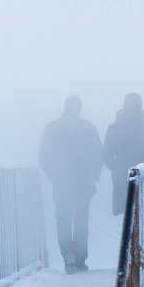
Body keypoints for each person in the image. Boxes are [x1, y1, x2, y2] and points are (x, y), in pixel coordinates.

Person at [38, 95, 104, 274]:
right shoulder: (88, 128)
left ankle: (68, 256)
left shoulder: (52, 127)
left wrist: (54, 177)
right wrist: (93, 177)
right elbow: (99, 154)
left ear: (65, 106)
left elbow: (43, 156)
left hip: (61, 183)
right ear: (79, 108)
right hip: (83, 182)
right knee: (82, 219)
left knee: (63, 220)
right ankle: (81, 259)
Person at [103, 92, 144, 216]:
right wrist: (116, 168)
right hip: (128, 178)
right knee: (130, 217)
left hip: (142, 177)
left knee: (139, 216)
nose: (131, 109)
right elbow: (106, 153)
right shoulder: (116, 128)